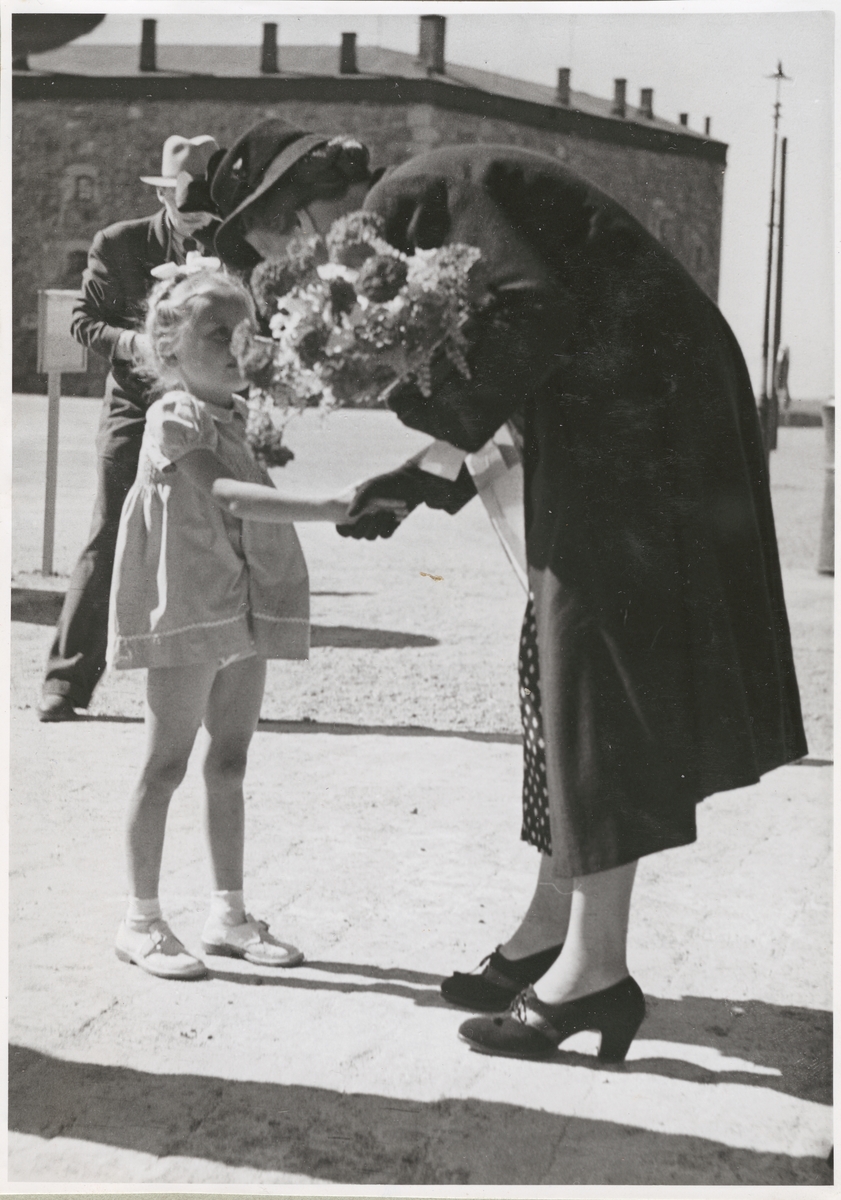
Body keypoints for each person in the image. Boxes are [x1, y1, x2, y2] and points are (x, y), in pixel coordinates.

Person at [210, 122, 806, 1059]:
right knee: (556, 664)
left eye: (280, 240)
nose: (298, 264)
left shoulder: (409, 200)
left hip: (641, 421)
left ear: (309, 203)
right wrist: (423, 472)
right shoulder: (418, 206)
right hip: (624, 412)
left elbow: (534, 318)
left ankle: (594, 973)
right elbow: (528, 348)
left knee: (591, 674)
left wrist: (425, 426)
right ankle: (549, 934)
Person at [109, 256, 405, 980]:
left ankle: (227, 914)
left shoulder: (238, 413)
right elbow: (229, 497)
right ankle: (140, 920)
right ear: (169, 344)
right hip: (189, 605)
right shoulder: (172, 414)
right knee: (166, 762)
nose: (238, 346)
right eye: (217, 331)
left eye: (246, 332)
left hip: (240, 604)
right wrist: (330, 507)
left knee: (230, 760)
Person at [38, 134, 222, 722]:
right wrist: (134, 342)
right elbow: (85, 321)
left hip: (208, 407)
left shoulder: (229, 245)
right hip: (133, 405)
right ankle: (64, 683)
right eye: (188, 211)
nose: (197, 224)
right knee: (108, 530)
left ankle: (213, 690)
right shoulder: (117, 243)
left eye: (206, 214)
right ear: (166, 196)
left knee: (214, 535)